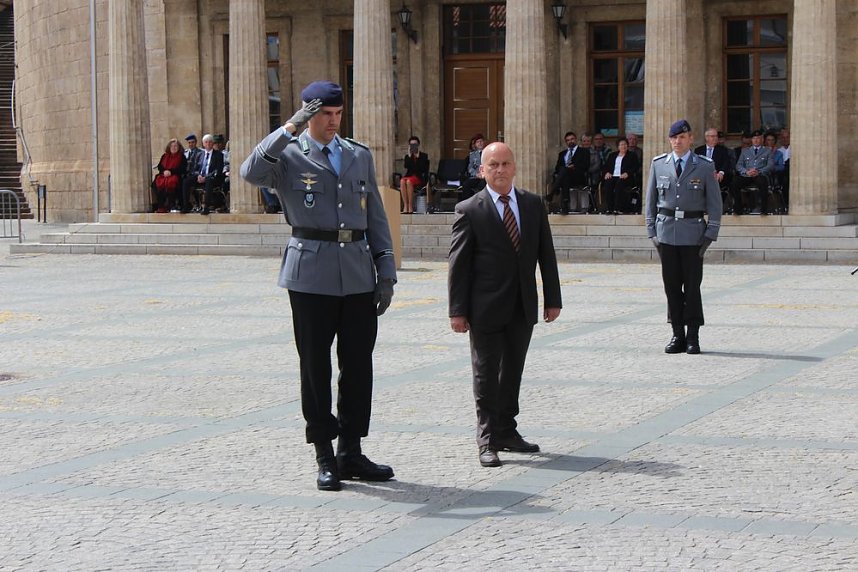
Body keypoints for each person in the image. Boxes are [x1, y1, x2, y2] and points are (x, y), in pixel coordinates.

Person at [240, 80, 397, 492]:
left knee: (359, 365)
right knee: (315, 366)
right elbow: (249, 171)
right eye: (325, 114)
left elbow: (375, 215)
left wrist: (386, 268)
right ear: (310, 114)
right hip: (310, 273)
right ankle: (324, 453)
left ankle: (351, 450)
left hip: (358, 271)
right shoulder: (289, 154)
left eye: (337, 114)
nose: (332, 121)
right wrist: (290, 126)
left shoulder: (357, 155)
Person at [448, 142, 562, 468]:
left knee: (512, 371)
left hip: (522, 305)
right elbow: (459, 265)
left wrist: (553, 299)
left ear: (514, 167)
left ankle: (507, 430)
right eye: (493, 165)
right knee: (486, 375)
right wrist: (457, 311)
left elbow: (546, 256)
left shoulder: (532, 204)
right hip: (484, 308)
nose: (499, 170)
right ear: (481, 170)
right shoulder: (470, 209)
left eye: (505, 164)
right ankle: (487, 439)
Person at [646, 119, 722, 355]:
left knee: (691, 288)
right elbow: (650, 202)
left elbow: (715, 204)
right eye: (674, 138)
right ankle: (677, 334)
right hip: (666, 234)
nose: (677, 141)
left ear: (690, 139)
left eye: (682, 137)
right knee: (671, 287)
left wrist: (710, 234)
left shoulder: (704, 166)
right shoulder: (659, 164)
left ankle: (693, 336)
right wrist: (652, 232)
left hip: (693, 235)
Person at [731, 129, 774, 215]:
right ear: (752, 139)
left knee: (763, 182)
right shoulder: (745, 151)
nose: (756, 140)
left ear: (762, 139)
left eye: (758, 138)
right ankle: (738, 209)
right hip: (747, 175)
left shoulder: (767, 150)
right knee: (734, 183)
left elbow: (770, 165)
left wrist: (759, 171)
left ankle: (763, 209)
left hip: (759, 175)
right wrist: (746, 172)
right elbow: (738, 165)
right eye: (754, 138)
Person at [552, 131, 589, 213]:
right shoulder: (562, 154)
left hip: (578, 176)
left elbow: (586, 165)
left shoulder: (584, 151)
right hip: (565, 178)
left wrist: (574, 167)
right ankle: (565, 205)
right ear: (566, 142)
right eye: (568, 140)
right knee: (564, 174)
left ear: (576, 140)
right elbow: (557, 168)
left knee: (564, 173)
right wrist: (565, 169)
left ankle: (553, 193)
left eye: (572, 139)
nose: (570, 141)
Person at [601, 137, 640, 214]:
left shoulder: (632, 155)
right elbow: (605, 167)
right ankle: (609, 208)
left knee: (619, 184)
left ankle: (617, 208)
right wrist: (607, 173)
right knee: (608, 184)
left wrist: (627, 173)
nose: (623, 146)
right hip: (613, 176)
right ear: (618, 147)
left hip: (625, 178)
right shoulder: (612, 155)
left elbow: (636, 167)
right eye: (621, 145)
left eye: (625, 144)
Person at [152, 138, 187, 213]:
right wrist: (164, 171)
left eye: (175, 146)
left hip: (176, 175)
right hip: (164, 175)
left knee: (172, 182)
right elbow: (160, 166)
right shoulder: (164, 156)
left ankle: (171, 205)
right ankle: (161, 205)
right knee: (157, 182)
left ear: (179, 147)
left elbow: (182, 168)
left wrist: (171, 172)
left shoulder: (182, 157)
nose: (173, 148)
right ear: (169, 147)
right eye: (172, 146)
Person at [399, 135, 429, 214]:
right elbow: (407, 166)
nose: (413, 146)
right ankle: (405, 205)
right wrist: (409, 157)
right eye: (411, 145)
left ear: (418, 145)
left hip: (418, 177)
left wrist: (418, 157)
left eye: (415, 144)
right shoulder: (407, 156)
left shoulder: (424, 156)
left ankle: (410, 206)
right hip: (409, 176)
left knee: (409, 181)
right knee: (402, 181)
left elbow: (422, 169)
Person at [461, 133, 486, 200]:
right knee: (466, 184)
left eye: (481, 141)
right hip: (476, 177)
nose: (480, 143)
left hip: (486, 177)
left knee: (483, 185)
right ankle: (467, 204)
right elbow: (470, 168)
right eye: (478, 142)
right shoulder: (472, 155)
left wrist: (485, 174)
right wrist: (476, 174)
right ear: (475, 144)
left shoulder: (488, 152)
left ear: (484, 142)